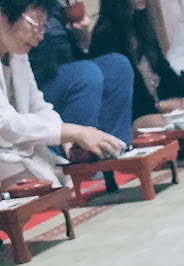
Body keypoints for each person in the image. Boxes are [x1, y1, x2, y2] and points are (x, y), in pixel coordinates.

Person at [0, 0, 124, 190]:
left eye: (44, 26)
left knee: (62, 182)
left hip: (13, 147)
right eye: (35, 24)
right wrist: (73, 132)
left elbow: (38, 106)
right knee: (46, 187)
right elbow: (5, 124)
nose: (40, 35)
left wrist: (65, 138)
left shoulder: (17, 52)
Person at [89, 0, 184, 132]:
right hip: (138, 117)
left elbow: (165, 72)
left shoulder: (142, 27)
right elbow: (123, 100)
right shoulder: (105, 36)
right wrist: (161, 105)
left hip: (164, 107)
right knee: (179, 119)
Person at [27, 0, 134, 145]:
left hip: (67, 74)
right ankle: (81, 157)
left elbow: (75, 56)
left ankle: (115, 150)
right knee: (85, 74)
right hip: (35, 82)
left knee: (118, 66)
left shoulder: (56, 6)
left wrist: (81, 39)